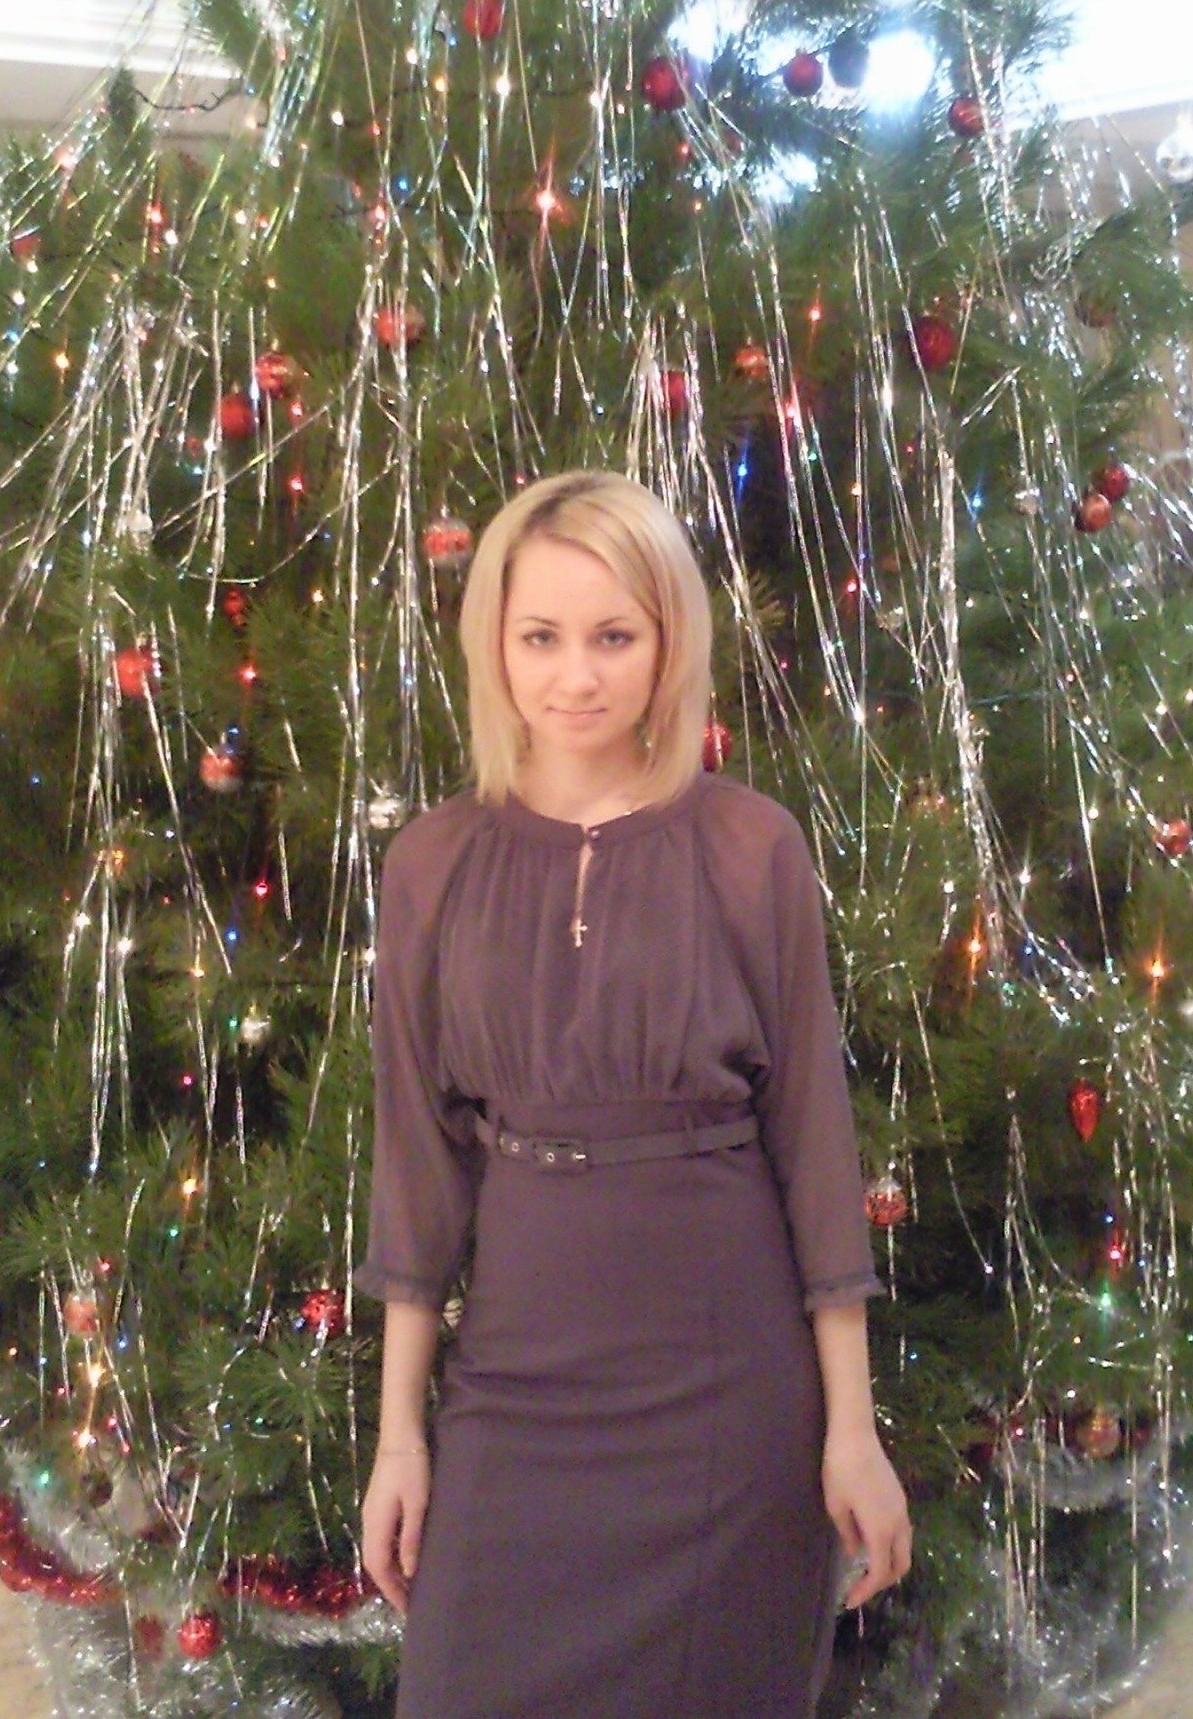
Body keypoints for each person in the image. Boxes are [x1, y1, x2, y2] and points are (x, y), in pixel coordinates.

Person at [356, 469, 912, 1719]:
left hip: (726, 1393)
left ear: (671, 642)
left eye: (615, 635)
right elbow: (417, 1168)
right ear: (493, 642)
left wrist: (852, 1427)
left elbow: (817, 1146)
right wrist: (400, 1435)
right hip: (514, 1385)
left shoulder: (751, 847)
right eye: (540, 636)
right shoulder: (431, 863)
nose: (577, 676)